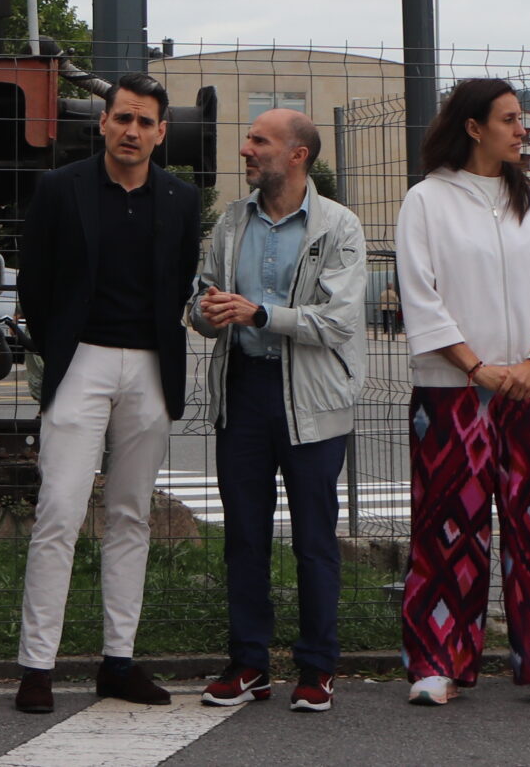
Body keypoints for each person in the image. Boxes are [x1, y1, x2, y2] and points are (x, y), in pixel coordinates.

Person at [12, 73, 204, 713]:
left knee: (130, 514)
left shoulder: (181, 199)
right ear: (103, 122)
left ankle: (118, 661)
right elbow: (35, 282)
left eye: (145, 122)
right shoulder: (60, 189)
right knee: (59, 511)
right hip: (80, 363)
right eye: (123, 118)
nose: (132, 131)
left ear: (161, 132)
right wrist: (60, 347)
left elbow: (180, 278)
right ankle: (36, 668)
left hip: (150, 367)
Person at [395, 79, 530, 709]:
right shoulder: (426, 201)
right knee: (447, 527)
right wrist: (475, 367)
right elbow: (420, 295)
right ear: (473, 127)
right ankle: (437, 662)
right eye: (508, 119)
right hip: (451, 393)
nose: (521, 129)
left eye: (520, 118)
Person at [189, 109, 368, 715]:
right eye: (248, 139)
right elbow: (203, 295)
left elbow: (338, 320)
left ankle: (318, 668)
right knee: (244, 536)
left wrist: (260, 314)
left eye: (259, 141)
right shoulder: (232, 220)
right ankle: (249, 664)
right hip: (242, 390)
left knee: (314, 539)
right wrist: (205, 312)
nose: (246, 149)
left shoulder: (338, 225)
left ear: (298, 155)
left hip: (311, 396)